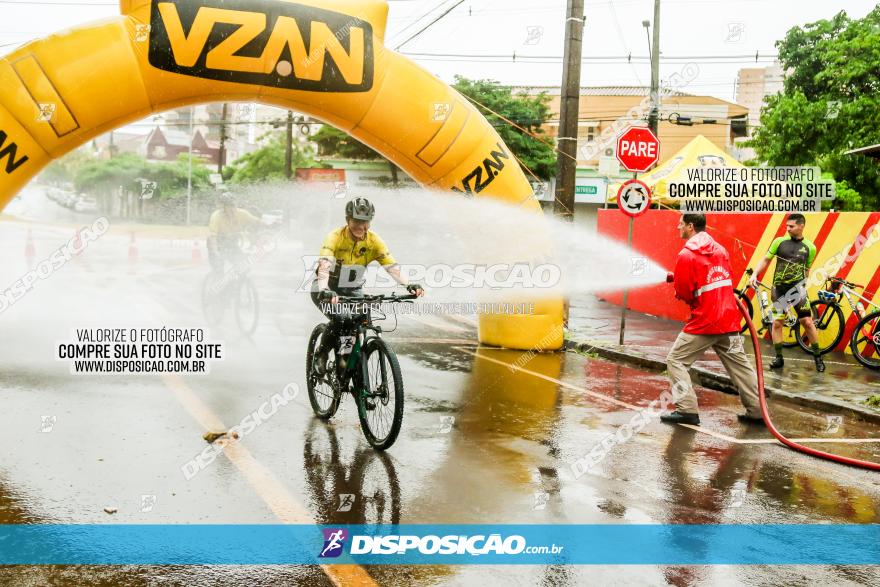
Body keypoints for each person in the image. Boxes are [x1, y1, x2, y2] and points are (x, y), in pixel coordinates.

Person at [661, 213, 763, 426]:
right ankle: (757, 411)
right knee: (740, 366)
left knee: (676, 361)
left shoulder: (687, 254)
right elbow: (721, 279)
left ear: (690, 226)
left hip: (705, 322)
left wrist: (680, 286)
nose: (677, 226)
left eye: (680, 223)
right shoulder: (720, 249)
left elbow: (685, 292)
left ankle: (687, 409)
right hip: (728, 319)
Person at [311, 197, 424, 374]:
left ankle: (349, 362)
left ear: (369, 223)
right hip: (325, 288)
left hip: (352, 289)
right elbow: (324, 264)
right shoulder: (334, 237)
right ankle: (322, 353)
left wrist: (408, 284)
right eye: (356, 221)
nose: (360, 226)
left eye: (364, 222)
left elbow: (391, 267)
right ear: (348, 220)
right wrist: (325, 289)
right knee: (342, 318)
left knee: (361, 319)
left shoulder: (374, 241)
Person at [749, 213, 823, 372]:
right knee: (777, 323)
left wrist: (801, 290)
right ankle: (779, 358)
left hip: (798, 289)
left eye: (791, 226)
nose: (787, 228)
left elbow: (806, 271)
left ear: (801, 226)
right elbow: (766, 259)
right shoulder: (779, 242)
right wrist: (755, 274)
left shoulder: (810, 247)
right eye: (787, 226)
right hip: (779, 289)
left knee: (808, 323)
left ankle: (818, 357)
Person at [206, 193, 263, 273]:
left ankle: (235, 283)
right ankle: (216, 279)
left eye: (234, 205)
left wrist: (270, 225)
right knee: (218, 270)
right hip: (217, 244)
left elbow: (256, 221)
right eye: (229, 206)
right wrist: (215, 252)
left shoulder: (242, 213)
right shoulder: (216, 216)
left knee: (242, 266)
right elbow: (212, 237)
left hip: (231, 244)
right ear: (223, 208)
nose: (233, 208)